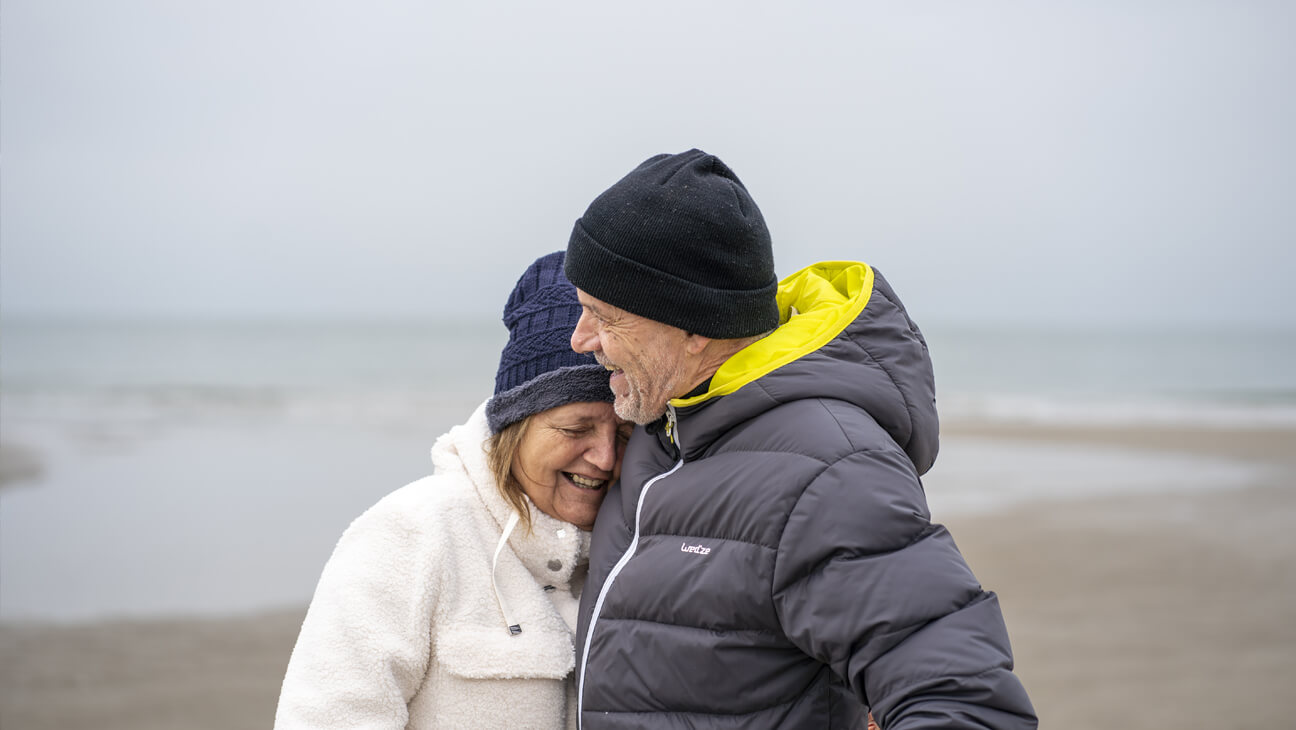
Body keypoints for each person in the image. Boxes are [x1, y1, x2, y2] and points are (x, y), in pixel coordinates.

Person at [563, 149, 1038, 729]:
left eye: (604, 316)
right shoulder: (662, 426)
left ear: (693, 325)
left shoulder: (832, 473)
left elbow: (966, 703)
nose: (580, 339)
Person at [274, 251, 632, 730]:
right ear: (514, 425)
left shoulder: (638, 549)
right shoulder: (413, 534)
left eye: (625, 434)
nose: (605, 457)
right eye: (575, 429)